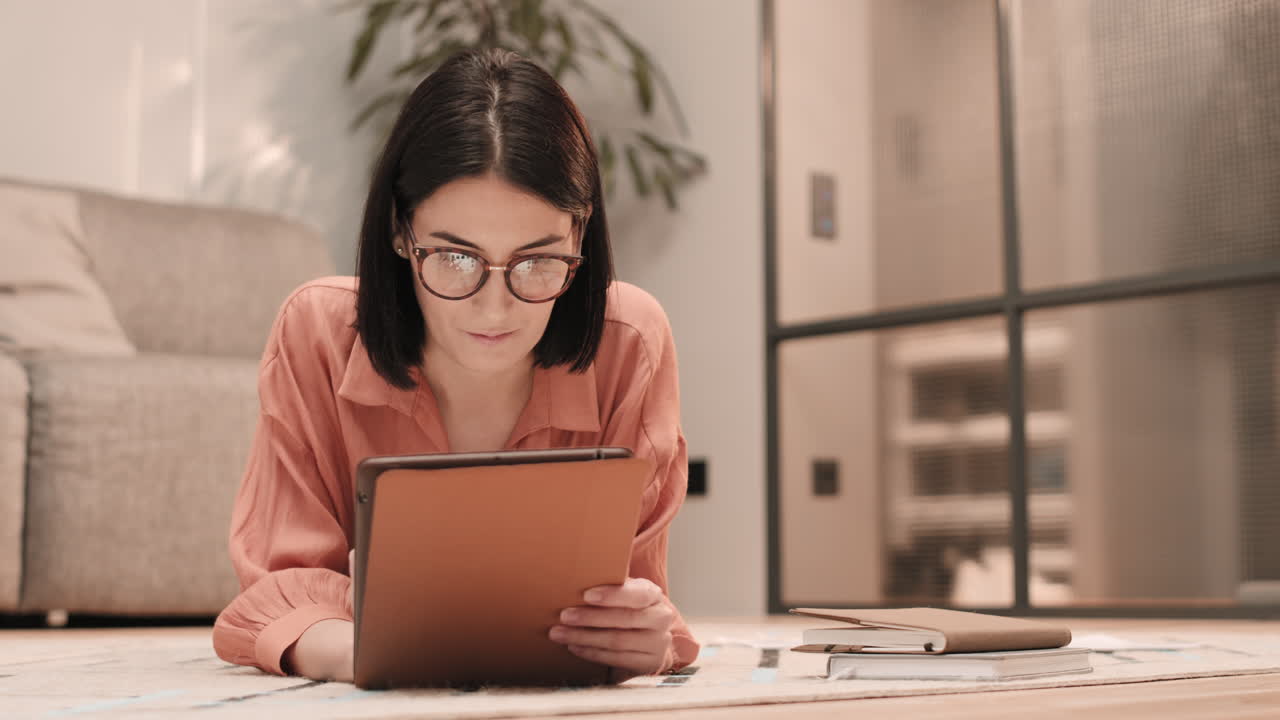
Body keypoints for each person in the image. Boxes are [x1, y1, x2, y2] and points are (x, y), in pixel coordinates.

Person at [211, 48, 698, 684]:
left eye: (537, 261)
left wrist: (642, 639)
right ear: (398, 229)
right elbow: (282, 587)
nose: (495, 309)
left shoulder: (630, 339)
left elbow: (635, 590)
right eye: (455, 258)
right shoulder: (318, 330)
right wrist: (369, 653)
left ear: (580, 235)